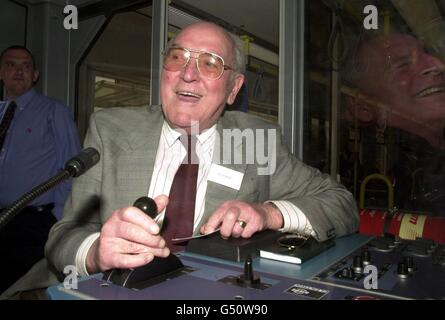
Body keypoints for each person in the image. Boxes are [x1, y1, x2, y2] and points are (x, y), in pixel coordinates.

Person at [1, 22, 358, 299]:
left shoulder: (248, 140)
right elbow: (63, 234)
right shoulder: (112, 129)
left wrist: (270, 213)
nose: (189, 73)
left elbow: (341, 203)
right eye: (178, 57)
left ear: (233, 89)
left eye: (210, 63)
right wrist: (95, 253)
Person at [0, 46, 81, 293]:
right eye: (11, 65)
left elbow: (73, 167)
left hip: (31, 222)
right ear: (1, 72)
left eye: (25, 66)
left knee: (16, 288)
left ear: (35, 75)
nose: (18, 72)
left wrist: (56, 219)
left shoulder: (53, 111)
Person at [344, 33, 445, 215]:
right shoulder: (401, 165)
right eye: (403, 65)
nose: (437, 65)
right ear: (363, 107)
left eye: (427, 55)